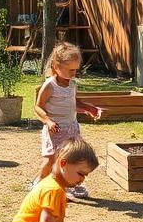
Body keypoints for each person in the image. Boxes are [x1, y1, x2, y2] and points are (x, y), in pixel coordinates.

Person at [34, 42, 101, 198]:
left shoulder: (72, 84)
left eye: (76, 70)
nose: (74, 73)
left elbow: (73, 103)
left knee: (73, 158)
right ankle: (38, 184)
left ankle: (69, 185)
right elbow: (37, 107)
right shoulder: (49, 85)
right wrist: (48, 121)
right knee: (51, 159)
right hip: (55, 129)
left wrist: (89, 108)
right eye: (70, 70)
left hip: (71, 128)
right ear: (56, 67)